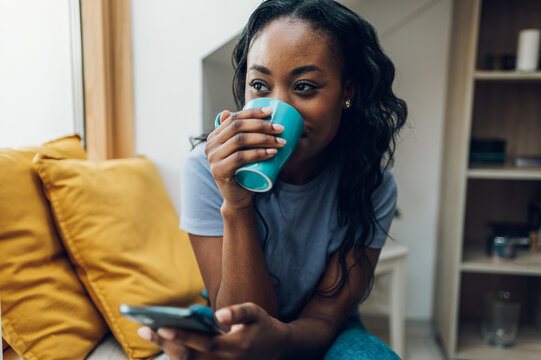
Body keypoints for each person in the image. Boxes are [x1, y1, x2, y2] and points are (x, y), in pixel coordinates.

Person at [137, 0, 407, 358]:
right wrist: (236, 202)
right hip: (230, 308)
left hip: (322, 327)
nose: (276, 113)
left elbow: (325, 319)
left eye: (306, 86)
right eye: (260, 85)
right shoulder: (206, 169)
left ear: (348, 91)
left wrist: (278, 339)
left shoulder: (371, 185)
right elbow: (239, 322)